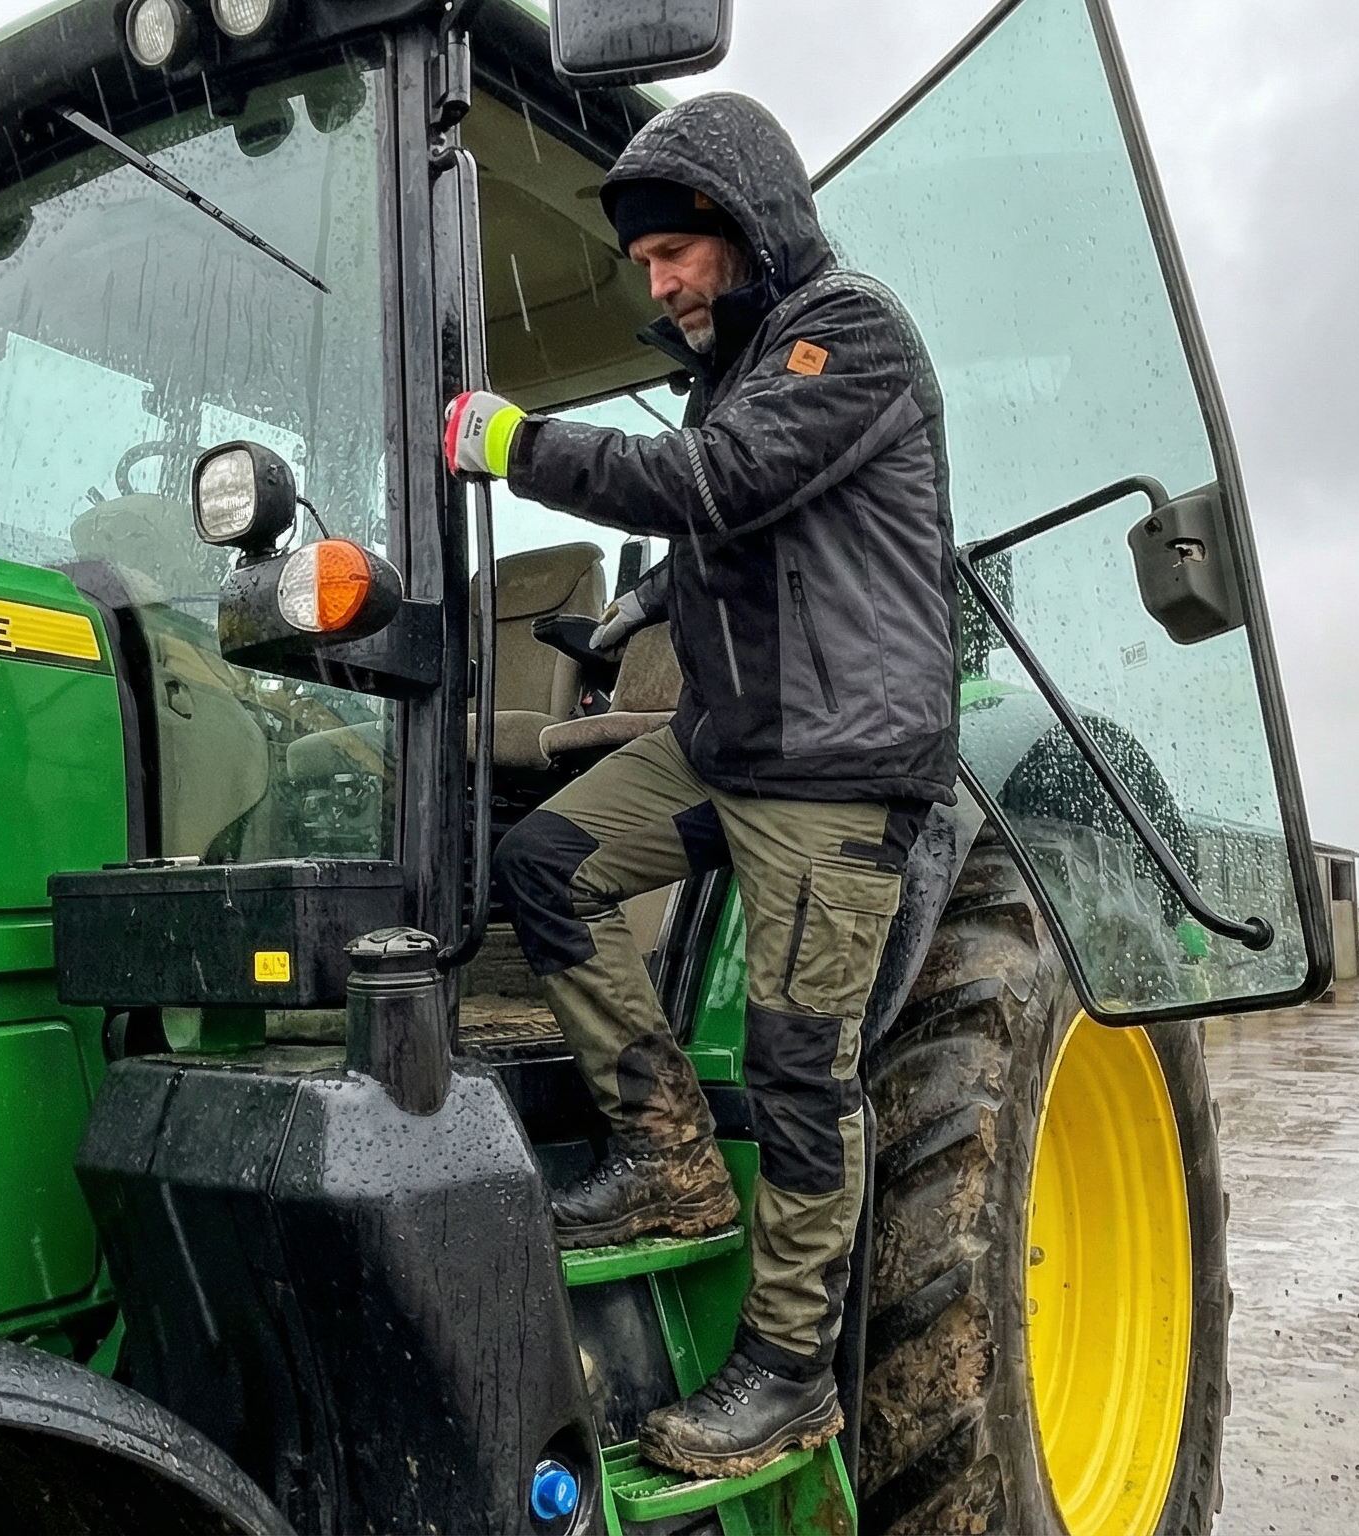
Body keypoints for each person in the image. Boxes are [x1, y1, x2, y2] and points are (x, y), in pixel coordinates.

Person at [445, 92, 956, 1480]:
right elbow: (745, 530)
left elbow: (722, 484)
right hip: (730, 743)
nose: (658, 284)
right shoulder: (734, 368)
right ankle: (663, 1143)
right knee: (541, 869)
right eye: (648, 263)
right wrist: (635, 612)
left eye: (676, 253)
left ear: (747, 224)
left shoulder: (845, 332)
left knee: (801, 1074)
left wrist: (516, 442)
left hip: (834, 770)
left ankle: (790, 1371)